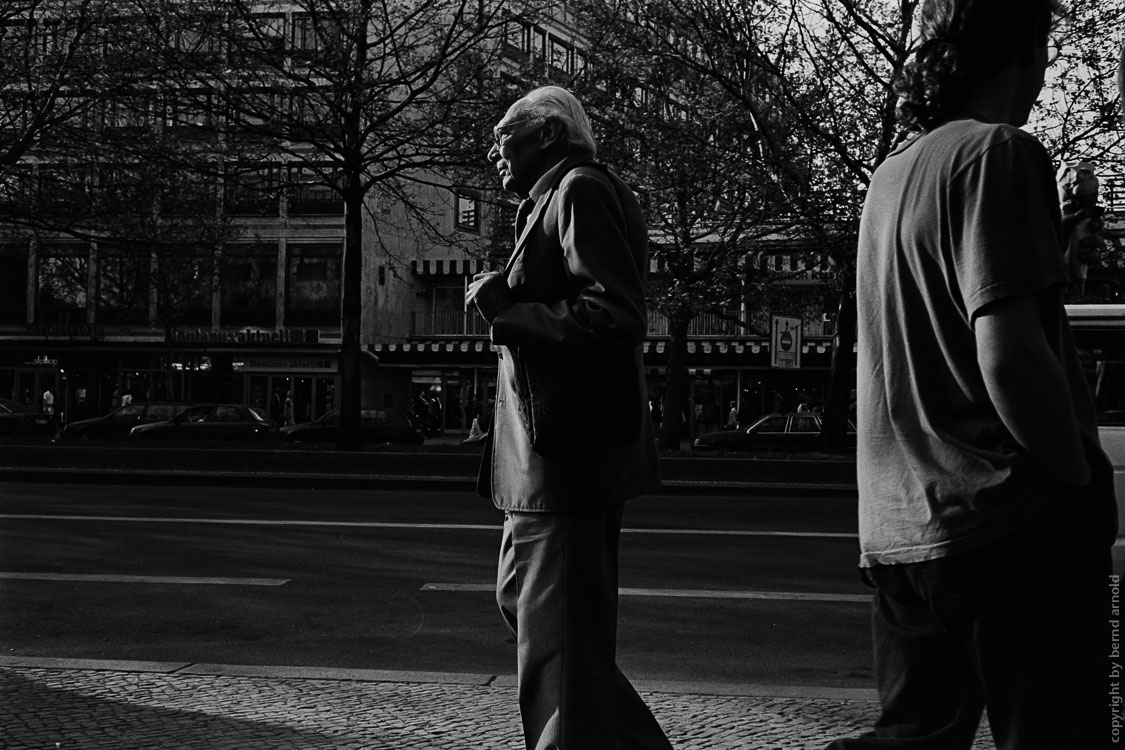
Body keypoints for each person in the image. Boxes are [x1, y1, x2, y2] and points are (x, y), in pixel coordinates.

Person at [827, 2, 1116, 749]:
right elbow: (1009, 355)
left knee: (915, 735)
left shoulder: (890, 177)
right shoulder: (1001, 154)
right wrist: (1076, 476)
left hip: (899, 527)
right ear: (1022, 54)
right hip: (1002, 516)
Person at [466, 86, 672, 750]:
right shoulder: (556, 197)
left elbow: (615, 314)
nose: (495, 150)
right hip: (545, 463)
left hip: (565, 460)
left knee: (555, 635)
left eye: (505, 136)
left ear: (547, 135)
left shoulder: (578, 190)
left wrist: (508, 312)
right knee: (540, 620)